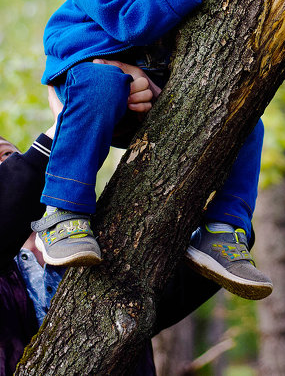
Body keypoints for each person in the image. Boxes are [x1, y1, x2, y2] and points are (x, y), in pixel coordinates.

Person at [31, 0, 271, 300]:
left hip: (153, 84)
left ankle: (224, 231)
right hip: (92, 71)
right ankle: (63, 212)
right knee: (101, 83)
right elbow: (125, 21)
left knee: (245, 118)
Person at [0, 82, 220, 376]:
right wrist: (77, 116)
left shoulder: (90, 239)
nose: (9, 166)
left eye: (8, 156)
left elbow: (174, 287)